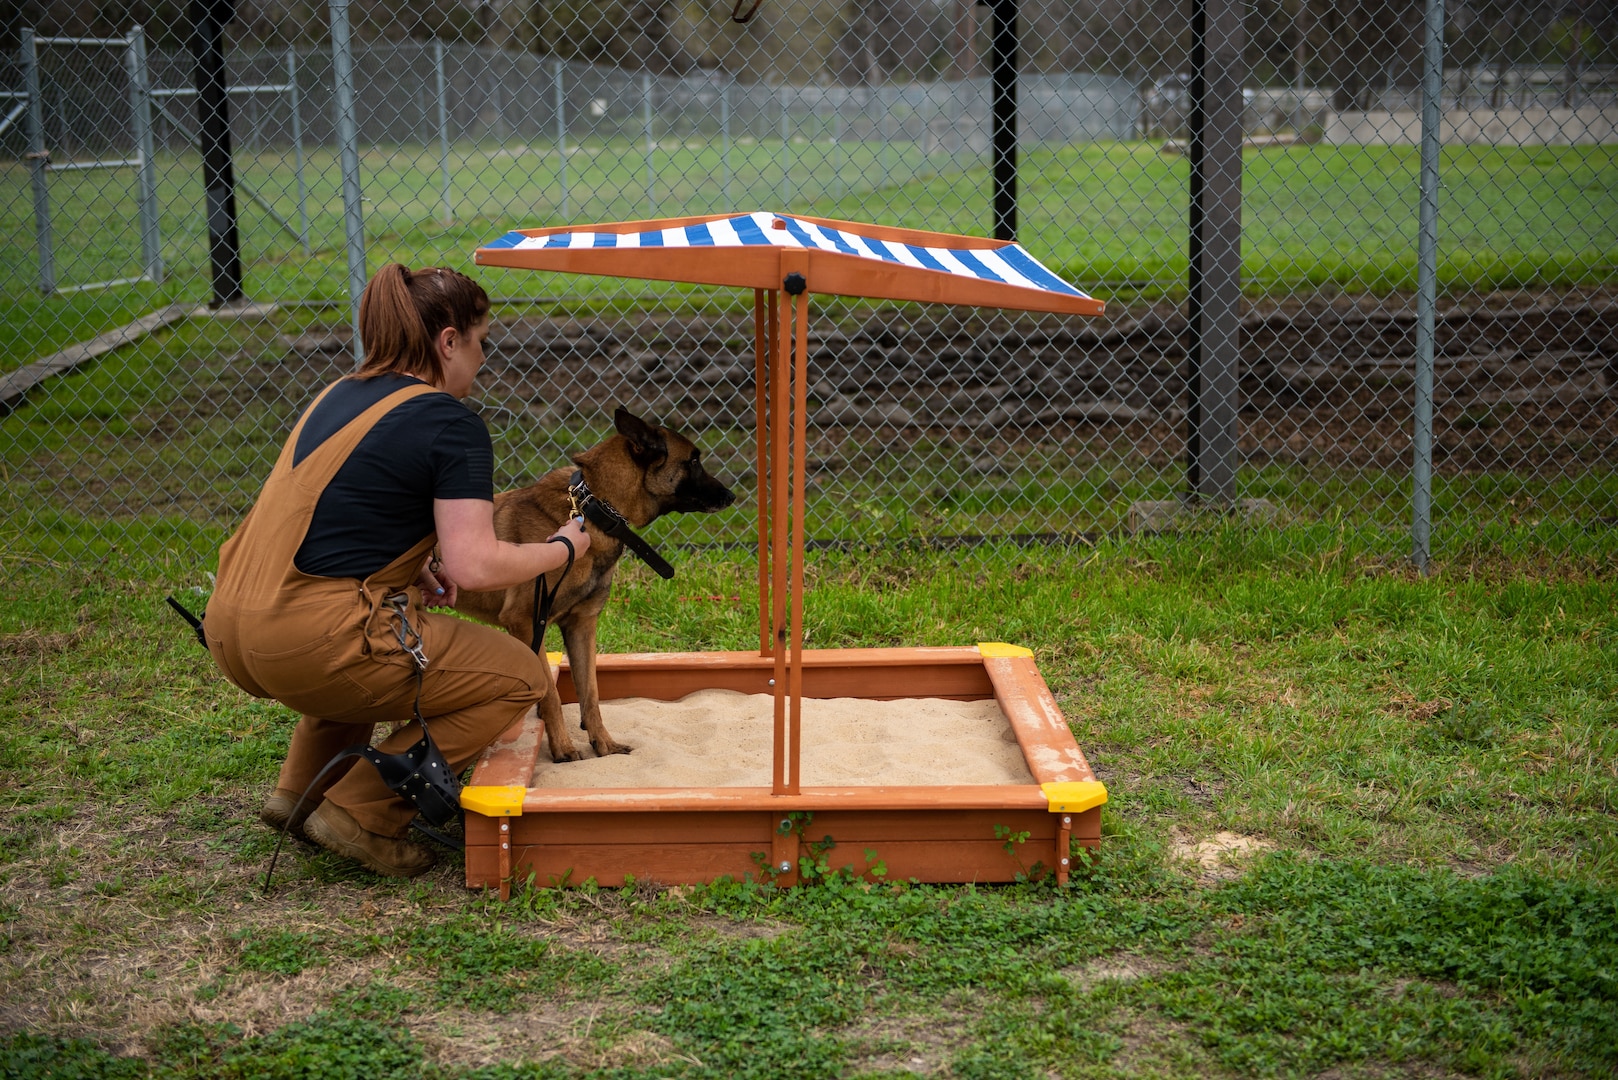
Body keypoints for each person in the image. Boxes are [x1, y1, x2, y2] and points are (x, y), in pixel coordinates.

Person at [203, 263, 589, 878]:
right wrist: (564, 547)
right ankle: (361, 811)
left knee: (374, 642)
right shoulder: (450, 422)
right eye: (481, 340)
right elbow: (478, 563)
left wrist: (414, 567)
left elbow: (345, 520)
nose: (484, 359)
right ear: (448, 341)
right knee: (520, 677)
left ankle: (298, 793)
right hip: (309, 642)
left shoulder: (338, 393)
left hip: (232, 628)